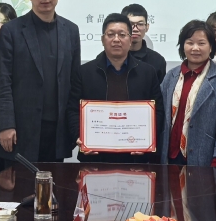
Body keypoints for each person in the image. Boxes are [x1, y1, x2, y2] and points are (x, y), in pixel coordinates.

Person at [0, 0, 81, 164]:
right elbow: (2, 82)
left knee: (55, 181)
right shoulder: (12, 30)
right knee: (18, 183)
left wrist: (75, 128)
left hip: (58, 130)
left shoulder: (71, 30)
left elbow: (74, 82)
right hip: (21, 129)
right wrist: (5, 125)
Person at [67, 13, 164, 164]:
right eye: (111, 34)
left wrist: (148, 140)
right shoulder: (84, 72)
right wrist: (79, 136)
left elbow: (158, 111)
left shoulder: (147, 72)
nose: (116, 39)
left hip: (135, 158)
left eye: (122, 35)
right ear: (102, 39)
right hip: (95, 158)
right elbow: (73, 109)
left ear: (130, 39)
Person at [161, 20, 216, 167]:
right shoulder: (171, 76)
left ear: (211, 47)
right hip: (170, 156)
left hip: (205, 157)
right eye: (190, 43)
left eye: (201, 43)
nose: (195, 48)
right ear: (182, 46)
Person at [122, 4, 167, 83]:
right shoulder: (111, 57)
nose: (135, 29)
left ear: (147, 27)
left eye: (140, 24)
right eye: (130, 24)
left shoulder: (157, 60)